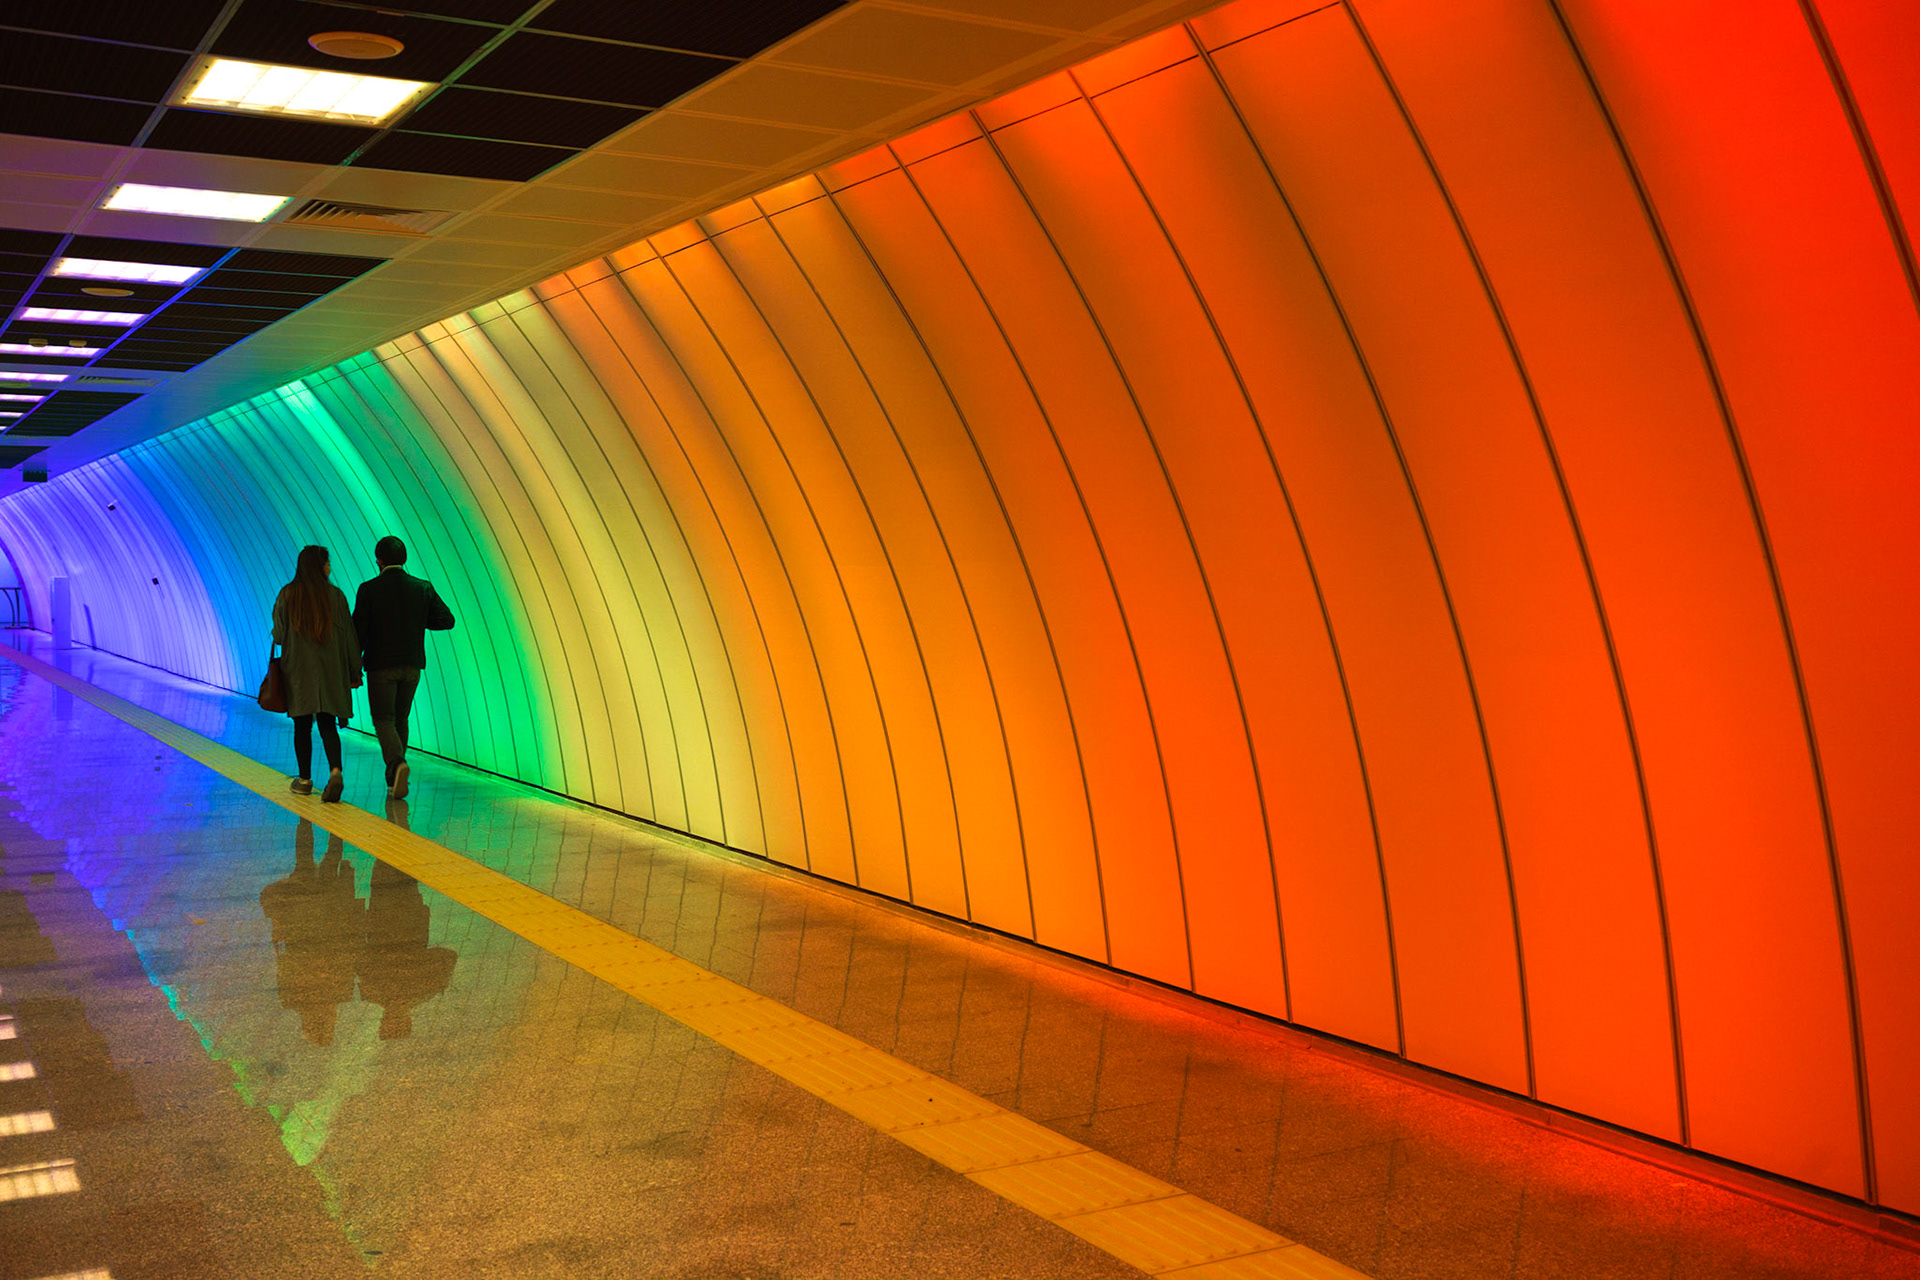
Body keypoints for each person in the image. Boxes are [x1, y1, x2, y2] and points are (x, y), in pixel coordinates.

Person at [352, 536, 455, 800]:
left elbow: (358, 634)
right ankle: (394, 778)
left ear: (379, 560)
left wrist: (352, 664)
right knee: (401, 719)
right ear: (405, 559)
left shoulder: (368, 589)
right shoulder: (422, 587)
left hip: (380, 666)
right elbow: (447, 620)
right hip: (412, 665)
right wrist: (417, 617)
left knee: (383, 719)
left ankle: (398, 765)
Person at [272, 545, 362, 802]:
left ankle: (304, 780)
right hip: (330, 671)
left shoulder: (287, 595)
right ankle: (335, 771)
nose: (329, 568)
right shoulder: (337, 596)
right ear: (319, 566)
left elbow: (279, 635)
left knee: (302, 725)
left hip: (298, 672)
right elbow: (349, 638)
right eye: (327, 563)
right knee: (327, 723)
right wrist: (355, 669)